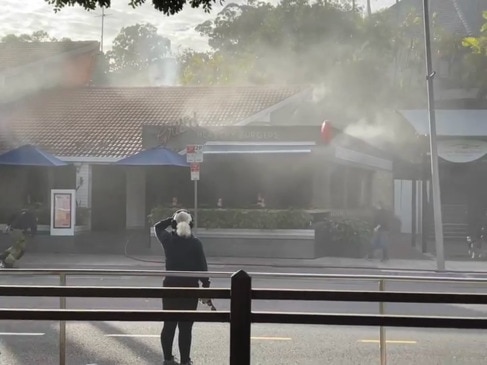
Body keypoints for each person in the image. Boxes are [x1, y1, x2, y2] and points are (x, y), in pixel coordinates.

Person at [154, 209, 210, 365]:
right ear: (191, 224)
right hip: (190, 288)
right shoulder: (196, 243)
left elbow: (157, 227)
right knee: (186, 327)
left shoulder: (168, 240)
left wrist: (171, 218)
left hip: (170, 287)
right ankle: (185, 361)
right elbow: (202, 268)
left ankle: (167, 359)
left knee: (169, 324)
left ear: (174, 224)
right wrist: (206, 288)